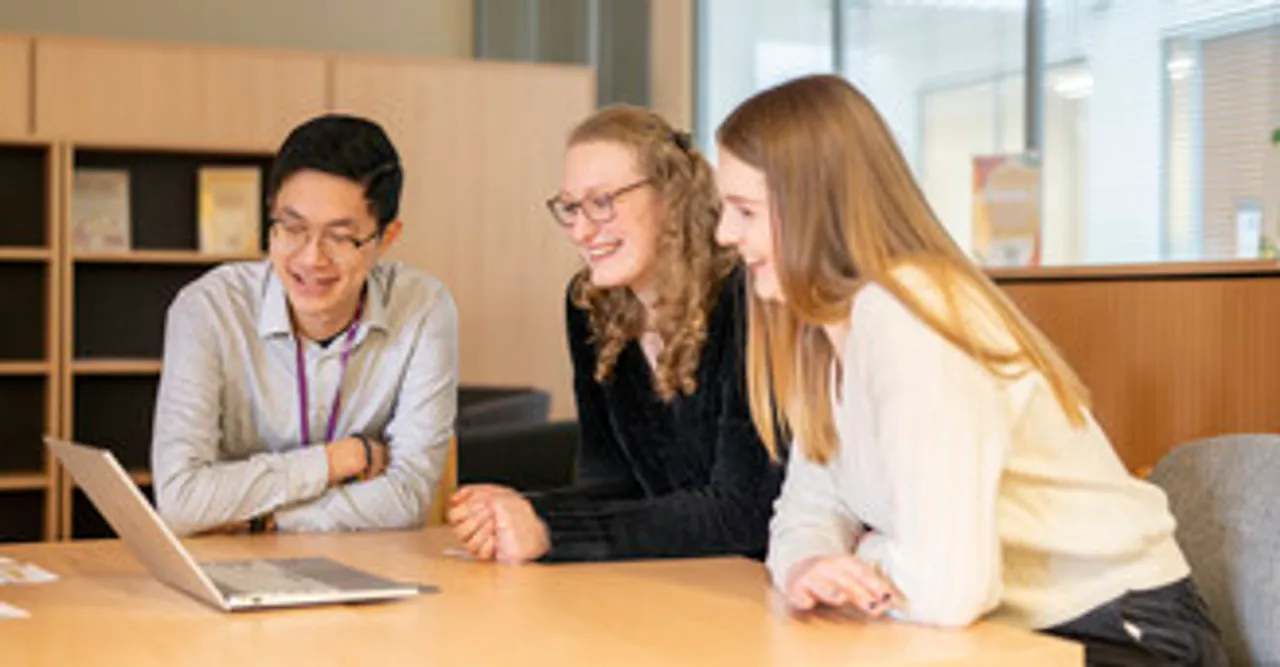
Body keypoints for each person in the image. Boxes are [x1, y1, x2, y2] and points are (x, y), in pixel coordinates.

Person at [713, 74, 1226, 665]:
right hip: (1003, 634)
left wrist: (866, 558)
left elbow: (949, 587)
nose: (727, 234)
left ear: (816, 208)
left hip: (1124, 636)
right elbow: (808, 507)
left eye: (745, 210)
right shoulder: (826, 334)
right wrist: (809, 565)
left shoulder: (911, 314)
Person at [447, 105, 782, 563]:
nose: (582, 231)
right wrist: (519, 511)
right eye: (570, 207)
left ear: (673, 196)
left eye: (603, 202)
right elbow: (612, 486)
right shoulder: (590, 305)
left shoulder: (746, 300)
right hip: (670, 584)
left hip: (757, 589)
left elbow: (741, 514)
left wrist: (549, 529)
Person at [151, 114, 458, 536]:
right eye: (292, 228)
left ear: (386, 238)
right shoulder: (208, 309)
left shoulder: (423, 309)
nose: (311, 258)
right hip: (226, 569)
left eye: (339, 236)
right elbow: (181, 500)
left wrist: (266, 519)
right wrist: (335, 460)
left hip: (365, 571)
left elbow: (408, 496)